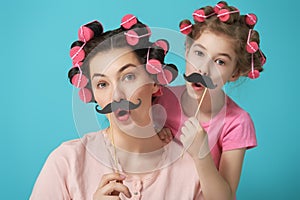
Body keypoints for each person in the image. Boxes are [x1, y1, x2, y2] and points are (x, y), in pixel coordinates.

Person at [30, 15, 202, 200]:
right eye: (102, 84)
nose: (117, 96)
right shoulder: (66, 162)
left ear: (154, 82)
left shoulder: (192, 171)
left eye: (128, 77)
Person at [154, 1, 267, 199]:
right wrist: (151, 134)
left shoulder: (237, 122)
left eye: (220, 61)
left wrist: (201, 154)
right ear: (187, 51)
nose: (203, 69)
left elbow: (225, 197)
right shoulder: (159, 97)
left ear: (234, 73)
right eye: (199, 53)